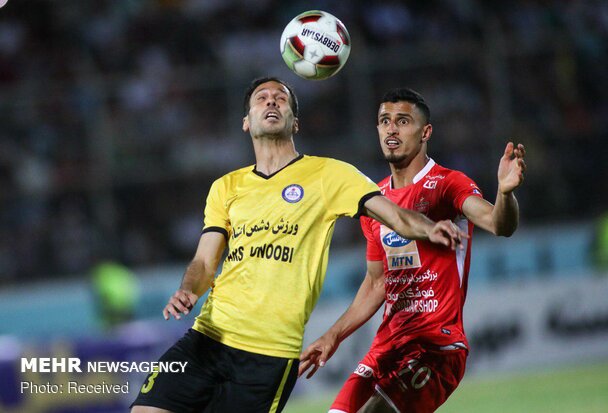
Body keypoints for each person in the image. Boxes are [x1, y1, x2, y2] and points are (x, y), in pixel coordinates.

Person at [130, 78, 468, 413]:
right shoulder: (225, 186)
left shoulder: (330, 175)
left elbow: (395, 215)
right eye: (262, 98)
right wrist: (189, 289)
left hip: (269, 354)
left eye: (281, 98)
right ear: (247, 122)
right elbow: (205, 261)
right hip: (207, 338)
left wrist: (430, 228)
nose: (272, 102)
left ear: (295, 121)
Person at [298, 88, 526, 413]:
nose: (391, 129)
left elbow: (499, 224)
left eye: (402, 121)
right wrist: (333, 336)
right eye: (384, 121)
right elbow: (377, 283)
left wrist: (505, 194)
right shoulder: (375, 200)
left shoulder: (448, 184)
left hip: (437, 346)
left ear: (425, 132)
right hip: (387, 346)